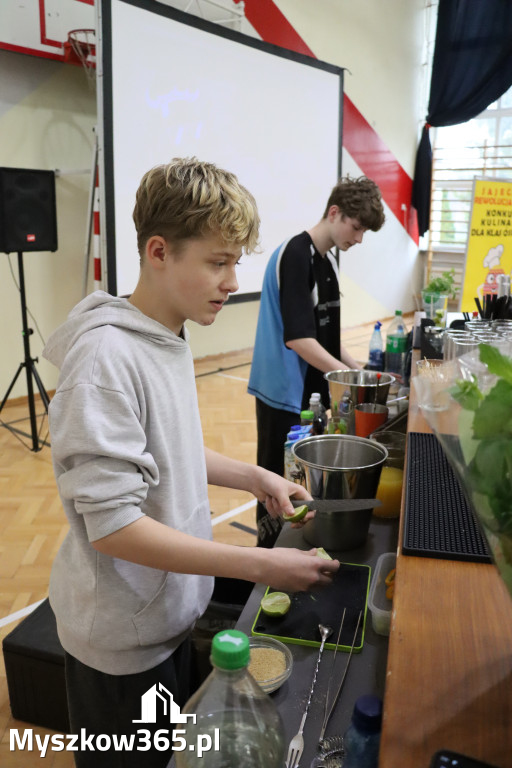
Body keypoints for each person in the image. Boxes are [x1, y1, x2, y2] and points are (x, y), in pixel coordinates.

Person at [42, 157, 339, 768]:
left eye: (235, 263)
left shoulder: (166, 333)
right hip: (120, 646)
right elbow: (115, 526)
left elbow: (168, 447)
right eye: (218, 262)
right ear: (159, 251)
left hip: (168, 617)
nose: (233, 281)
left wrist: (255, 476)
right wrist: (259, 562)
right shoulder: (103, 363)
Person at [248, 175, 385, 547]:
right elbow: (298, 339)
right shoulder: (295, 255)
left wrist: (364, 373)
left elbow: (328, 342)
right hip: (282, 395)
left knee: (301, 485)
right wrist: (349, 379)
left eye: (363, 232)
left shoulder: (328, 264)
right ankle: (266, 558)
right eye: (356, 228)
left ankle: (298, 549)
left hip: (310, 398)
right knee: (274, 485)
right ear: (334, 212)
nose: (358, 239)